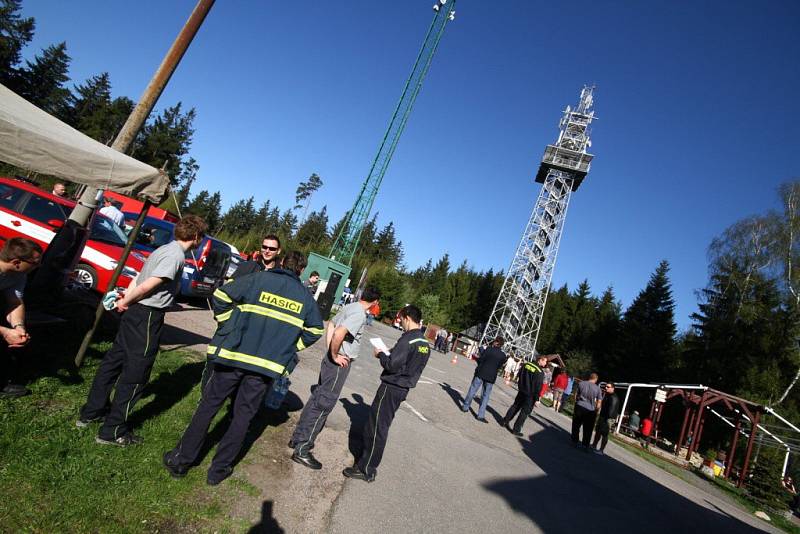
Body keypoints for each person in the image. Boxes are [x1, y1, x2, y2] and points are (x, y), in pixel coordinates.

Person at [163, 251, 323, 485]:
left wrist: (229, 323)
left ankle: (181, 461)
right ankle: (218, 471)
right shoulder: (304, 297)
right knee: (242, 417)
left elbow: (221, 295)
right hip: (264, 368)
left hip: (234, 357)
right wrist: (290, 347)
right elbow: (316, 330)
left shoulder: (259, 279)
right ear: (301, 270)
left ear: (281, 263)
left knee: (209, 406)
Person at [77, 215, 207, 446]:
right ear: (196, 237)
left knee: (114, 361)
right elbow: (148, 284)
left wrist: (126, 298)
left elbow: (138, 276)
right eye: (202, 237)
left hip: (136, 312)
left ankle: (92, 411)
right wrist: (125, 300)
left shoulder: (163, 249)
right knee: (136, 373)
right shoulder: (175, 256)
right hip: (147, 316)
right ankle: (112, 430)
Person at [290, 287, 381, 470]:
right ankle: (302, 449)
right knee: (324, 403)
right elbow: (339, 333)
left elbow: (331, 324)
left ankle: (298, 438)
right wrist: (334, 354)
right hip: (339, 363)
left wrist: (329, 352)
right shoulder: (359, 314)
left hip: (332, 360)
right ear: (375, 302)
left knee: (317, 398)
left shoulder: (351, 306)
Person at [343, 305, 430, 482]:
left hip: (391, 387)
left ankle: (366, 468)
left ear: (407, 318)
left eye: (401, 319)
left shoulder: (408, 339)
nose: (400, 323)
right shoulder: (424, 343)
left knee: (376, 427)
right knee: (381, 426)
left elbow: (391, 364)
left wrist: (381, 355)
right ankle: (369, 463)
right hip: (403, 388)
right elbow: (409, 363)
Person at [0, 238, 42, 398]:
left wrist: (18, 327)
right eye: (35, 263)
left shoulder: (18, 274)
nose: (38, 266)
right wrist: (4, 332)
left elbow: (15, 301)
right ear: (17, 262)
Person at [461, 337, 507, 422]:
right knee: (485, 396)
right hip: (491, 376)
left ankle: (465, 407)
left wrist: (478, 356)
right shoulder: (503, 356)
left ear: (496, 342)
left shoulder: (489, 350)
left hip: (481, 373)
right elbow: (499, 367)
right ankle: (480, 415)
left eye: (494, 341)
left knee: (473, 390)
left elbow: (481, 360)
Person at [501, 355, 547, 437]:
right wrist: (537, 399)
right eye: (545, 361)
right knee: (524, 412)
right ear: (540, 360)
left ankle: (505, 421)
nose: (545, 363)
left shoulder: (526, 364)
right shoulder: (539, 372)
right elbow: (538, 387)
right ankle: (516, 429)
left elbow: (519, 374)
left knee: (515, 406)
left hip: (522, 390)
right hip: (530, 395)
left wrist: (520, 386)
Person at [571, 373, 603, 450]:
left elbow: (576, 395)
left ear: (590, 377)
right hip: (590, 410)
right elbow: (599, 401)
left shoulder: (581, 383)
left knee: (576, 424)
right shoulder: (597, 388)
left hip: (580, 405)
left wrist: (576, 403)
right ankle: (585, 444)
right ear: (596, 379)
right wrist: (597, 410)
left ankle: (575, 440)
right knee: (588, 428)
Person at [591, 382, 620, 455]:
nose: (606, 388)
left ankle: (601, 450)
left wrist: (606, 419)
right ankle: (594, 445)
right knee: (598, 431)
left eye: (608, 387)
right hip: (603, 416)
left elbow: (611, 410)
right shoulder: (607, 395)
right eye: (605, 386)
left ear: (612, 388)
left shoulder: (614, 397)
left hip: (608, 418)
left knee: (604, 433)